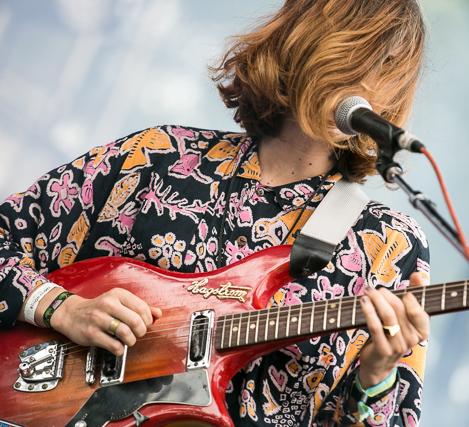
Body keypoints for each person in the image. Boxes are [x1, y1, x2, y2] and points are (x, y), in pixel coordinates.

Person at [0, 0, 430, 425]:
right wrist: (60, 307)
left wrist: (376, 379)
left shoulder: (390, 247)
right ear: (304, 44)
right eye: (357, 57)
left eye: (388, 74)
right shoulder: (158, 157)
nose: (370, 85)